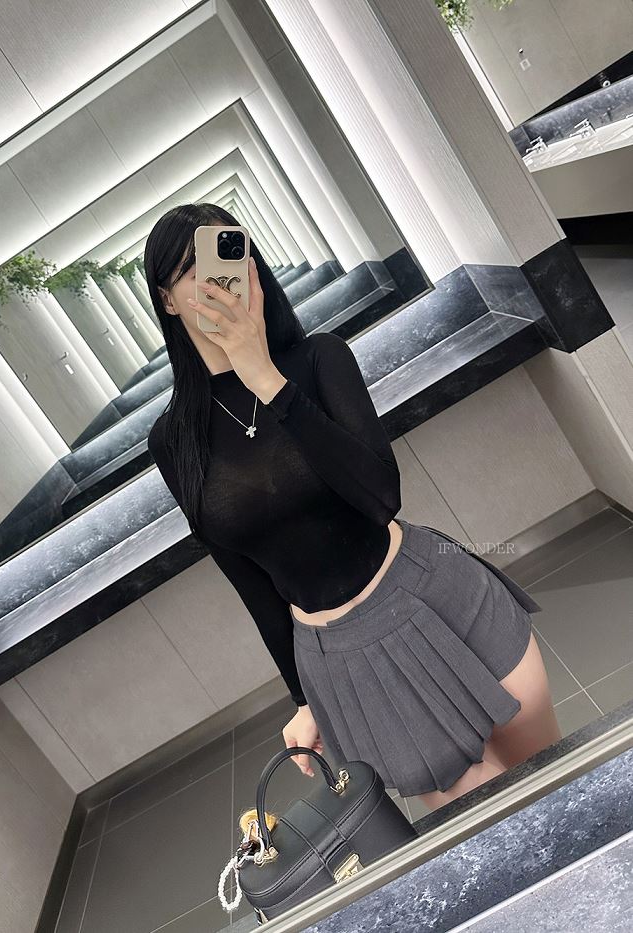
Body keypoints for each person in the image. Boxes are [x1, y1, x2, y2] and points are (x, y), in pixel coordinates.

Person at [144, 202, 561, 809]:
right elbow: (249, 580)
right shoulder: (174, 440)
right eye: (191, 271)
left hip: (433, 595)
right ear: (167, 299)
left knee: (555, 775)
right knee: (481, 822)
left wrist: (269, 383)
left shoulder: (319, 360)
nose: (216, 284)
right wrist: (302, 698)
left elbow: (380, 496)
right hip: (340, 658)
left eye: (228, 261)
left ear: (253, 272)